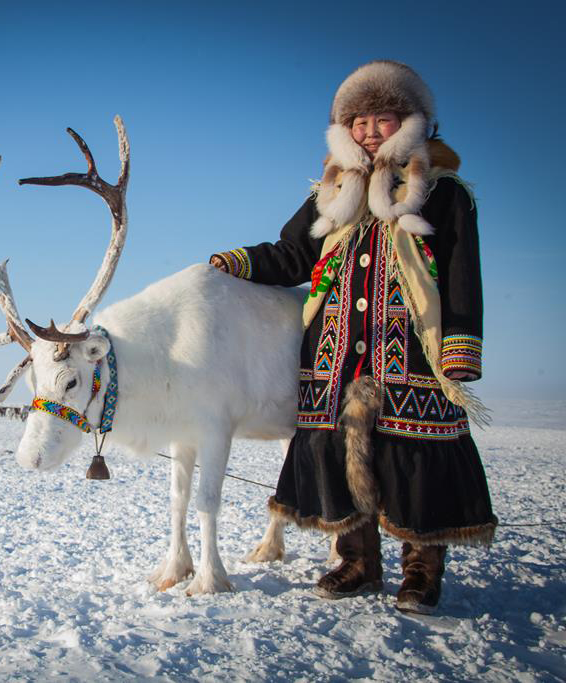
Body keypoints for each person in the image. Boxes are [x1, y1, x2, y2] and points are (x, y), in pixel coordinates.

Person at [210, 60, 496, 615]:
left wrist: (461, 347)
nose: (368, 132)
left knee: (417, 457)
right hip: (333, 351)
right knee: (339, 454)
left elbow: (462, 271)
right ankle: (358, 562)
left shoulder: (442, 192)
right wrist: (237, 262)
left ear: (412, 122)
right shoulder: (334, 188)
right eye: (358, 121)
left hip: (410, 349)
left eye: (381, 120)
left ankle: (421, 570)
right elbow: (294, 253)